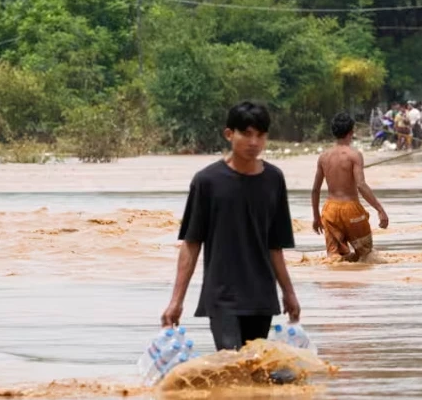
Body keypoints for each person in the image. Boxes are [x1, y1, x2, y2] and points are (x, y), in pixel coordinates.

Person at [161, 102, 300, 351]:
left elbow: (275, 246)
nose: (254, 142)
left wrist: (289, 293)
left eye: (260, 135)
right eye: (246, 134)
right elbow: (191, 244)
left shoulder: (274, 180)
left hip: (261, 296)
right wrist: (176, 301)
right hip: (222, 295)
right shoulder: (207, 182)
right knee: (229, 360)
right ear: (229, 134)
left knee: (253, 368)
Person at [311, 113, 389, 262]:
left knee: (334, 257)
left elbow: (315, 189)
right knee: (366, 255)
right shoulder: (354, 155)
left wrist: (316, 217)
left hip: (330, 210)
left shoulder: (324, 157)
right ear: (351, 132)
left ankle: (338, 282)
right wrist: (380, 209)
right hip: (351, 209)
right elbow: (361, 184)